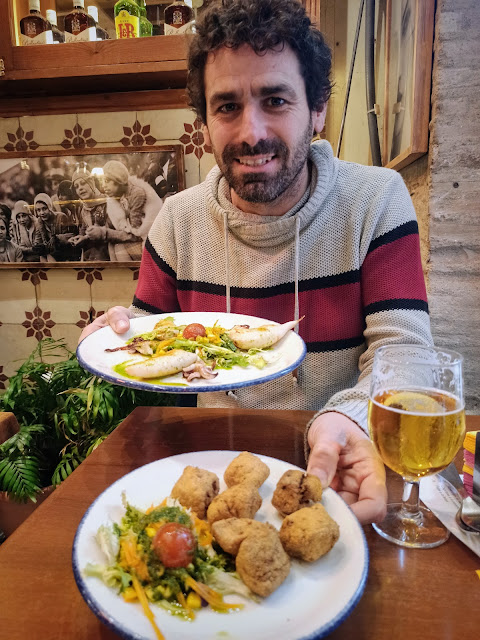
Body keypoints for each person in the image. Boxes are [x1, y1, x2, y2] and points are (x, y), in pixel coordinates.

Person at [79, 0, 434, 524]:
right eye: (226, 106)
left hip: (335, 469)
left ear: (317, 109)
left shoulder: (376, 201)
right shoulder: (176, 220)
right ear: (203, 123)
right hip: (213, 479)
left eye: (274, 100)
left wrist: (347, 418)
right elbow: (153, 351)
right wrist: (117, 338)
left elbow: (406, 351)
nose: (250, 132)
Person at [94, 160, 161, 261]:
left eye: (107, 181)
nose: (103, 186)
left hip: (151, 242)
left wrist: (105, 233)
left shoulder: (137, 193)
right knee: (113, 245)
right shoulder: (117, 198)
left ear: (118, 179)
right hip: (138, 239)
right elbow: (117, 226)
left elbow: (136, 232)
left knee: (118, 247)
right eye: (103, 181)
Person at [33, 193, 74, 262]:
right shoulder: (39, 222)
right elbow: (38, 240)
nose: (42, 213)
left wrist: (57, 238)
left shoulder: (61, 217)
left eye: (44, 208)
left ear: (50, 207)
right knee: (42, 256)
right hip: (49, 252)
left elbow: (70, 236)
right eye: (38, 210)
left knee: (49, 256)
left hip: (64, 252)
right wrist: (38, 246)